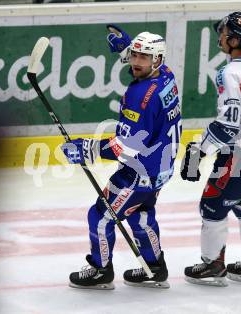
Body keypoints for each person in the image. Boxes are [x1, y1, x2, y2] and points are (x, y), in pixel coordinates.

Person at [62, 25, 181, 290]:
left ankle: (100, 270)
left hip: (138, 171)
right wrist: (127, 51)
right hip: (162, 167)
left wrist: (86, 149)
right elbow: (146, 67)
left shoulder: (141, 97)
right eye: (135, 55)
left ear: (157, 59)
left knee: (101, 216)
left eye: (143, 57)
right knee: (141, 215)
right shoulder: (167, 76)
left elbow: (127, 145)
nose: (136, 62)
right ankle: (155, 268)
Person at [180, 12, 241, 287]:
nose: (219, 37)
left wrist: (198, 150)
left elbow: (228, 125)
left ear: (235, 40)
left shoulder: (229, 73)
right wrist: (239, 26)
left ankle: (212, 265)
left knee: (211, 207)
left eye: (224, 33)